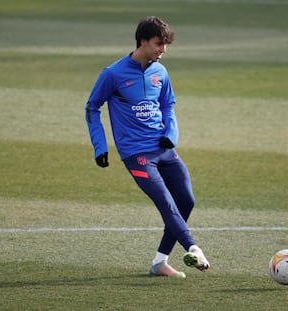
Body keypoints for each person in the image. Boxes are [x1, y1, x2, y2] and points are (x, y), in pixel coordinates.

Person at [85, 16, 209, 278]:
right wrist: (100, 146)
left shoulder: (160, 72)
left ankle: (160, 262)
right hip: (136, 154)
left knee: (186, 201)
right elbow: (93, 107)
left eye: (165, 45)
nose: (164, 50)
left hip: (163, 148)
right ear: (142, 42)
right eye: (159, 44)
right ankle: (193, 248)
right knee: (166, 202)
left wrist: (171, 134)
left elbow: (168, 105)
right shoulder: (113, 74)